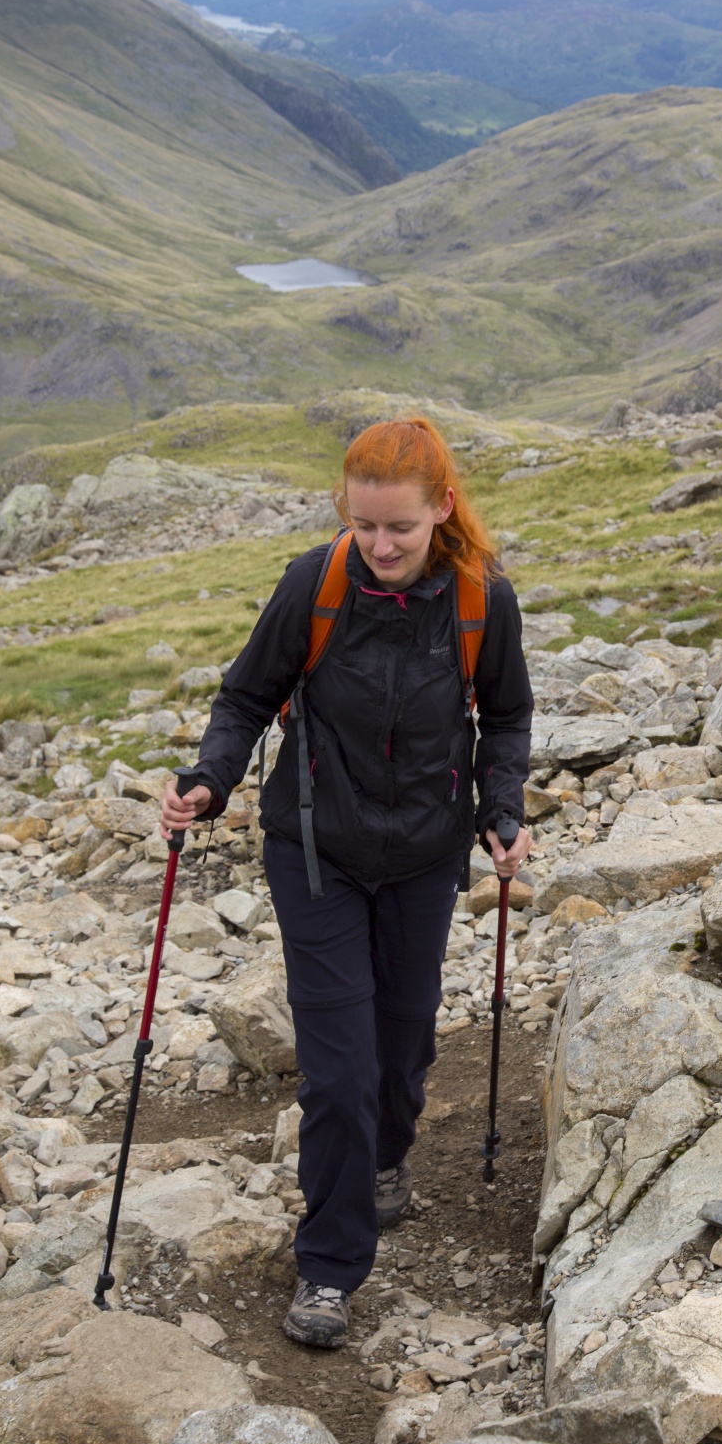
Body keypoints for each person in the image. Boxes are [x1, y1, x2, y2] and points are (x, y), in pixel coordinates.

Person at [160, 415, 533, 1349]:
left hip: (421, 856)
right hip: (316, 854)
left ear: (442, 509)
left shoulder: (483, 600)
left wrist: (501, 809)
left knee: (401, 1051)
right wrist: (210, 781)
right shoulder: (314, 586)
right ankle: (329, 1265)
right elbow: (246, 696)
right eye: (364, 525)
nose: (381, 545)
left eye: (399, 527)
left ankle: (388, 1158)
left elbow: (510, 717)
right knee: (337, 1072)